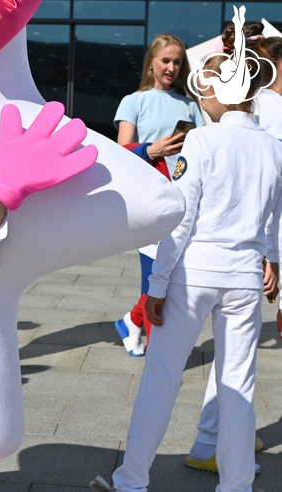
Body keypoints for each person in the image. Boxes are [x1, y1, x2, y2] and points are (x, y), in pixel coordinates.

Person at [90, 17, 282, 491]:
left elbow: (182, 216)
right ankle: (237, 485)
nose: (202, 95)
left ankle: (132, 480)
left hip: (194, 274)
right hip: (244, 278)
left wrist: (156, 285)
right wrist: (273, 262)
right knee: (238, 386)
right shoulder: (273, 148)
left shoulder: (201, 138)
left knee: (162, 380)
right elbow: (275, 217)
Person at [185, 20, 282, 474]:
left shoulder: (249, 111)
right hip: (243, 257)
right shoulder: (268, 113)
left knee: (235, 363)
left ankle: (213, 444)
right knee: (238, 367)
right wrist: (273, 255)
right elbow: (268, 197)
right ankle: (217, 450)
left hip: (230, 258)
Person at [113, 33, 205, 357]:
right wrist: (152, 150)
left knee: (171, 275)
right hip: (150, 198)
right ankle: (157, 355)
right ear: (151, 62)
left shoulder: (191, 105)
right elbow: (121, 153)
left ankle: (132, 321)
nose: (171, 67)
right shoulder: (133, 101)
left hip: (185, 198)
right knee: (155, 275)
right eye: (165, 60)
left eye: (177, 62)